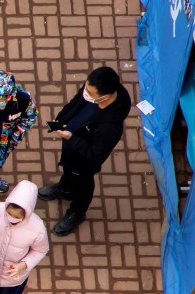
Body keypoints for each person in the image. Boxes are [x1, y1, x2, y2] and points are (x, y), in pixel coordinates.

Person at [38, 66, 132, 236]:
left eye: (90, 92)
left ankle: (77, 212)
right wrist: (62, 119)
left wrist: (71, 138)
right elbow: (76, 102)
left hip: (83, 161)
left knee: (82, 184)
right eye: (86, 88)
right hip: (71, 147)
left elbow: (95, 156)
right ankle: (65, 188)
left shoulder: (110, 127)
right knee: (68, 170)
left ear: (106, 96)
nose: (85, 93)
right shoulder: (95, 90)